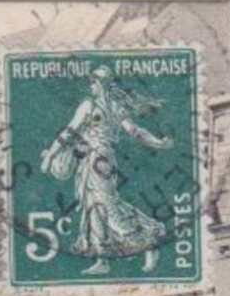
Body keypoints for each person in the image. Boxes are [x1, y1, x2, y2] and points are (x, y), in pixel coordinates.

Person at [41, 65, 174, 276]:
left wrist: (50, 156)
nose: (91, 85)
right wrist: (158, 143)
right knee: (92, 206)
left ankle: (150, 238)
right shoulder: (113, 106)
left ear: (101, 84)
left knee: (106, 204)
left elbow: (70, 131)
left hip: (99, 159)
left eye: (93, 82)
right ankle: (102, 258)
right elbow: (136, 132)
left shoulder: (93, 106)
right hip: (95, 158)